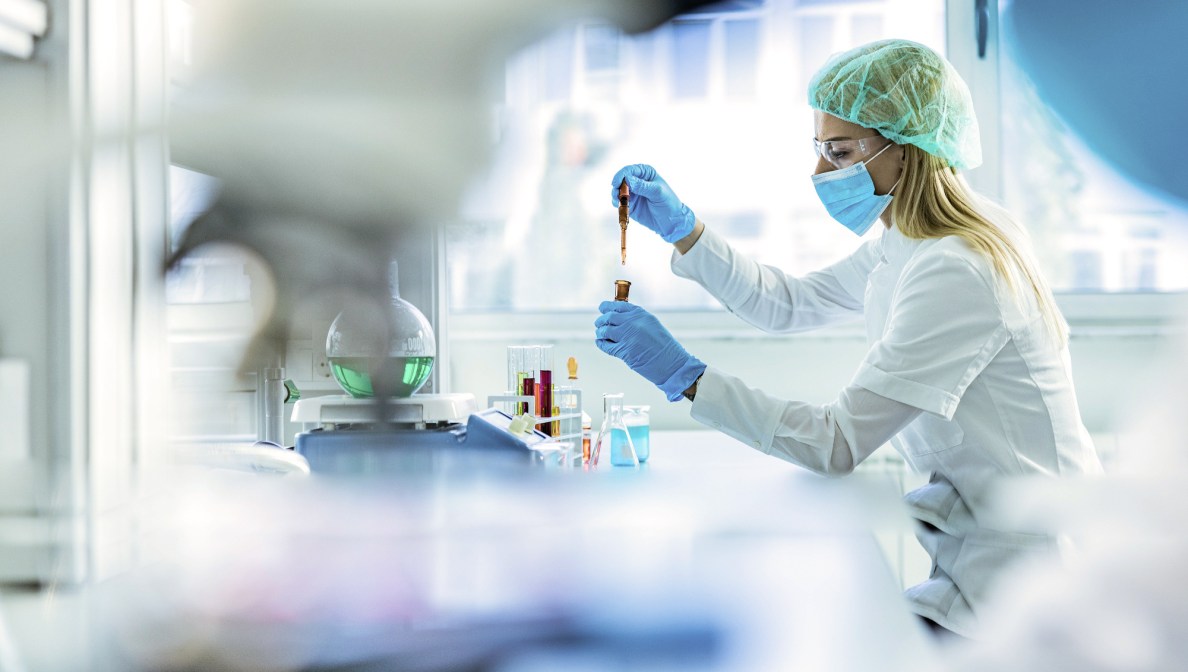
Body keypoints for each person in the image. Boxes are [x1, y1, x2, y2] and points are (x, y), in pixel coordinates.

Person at [593, 39, 1103, 640]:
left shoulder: (958, 265)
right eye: (820, 151)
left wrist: (685, 377)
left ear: (908, 149)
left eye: (839, 153)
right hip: (980, 570)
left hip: (1032, 589)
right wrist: (687, 231)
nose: (819, 173)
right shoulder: (911, 242)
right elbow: (788, 304)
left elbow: (835, 444)